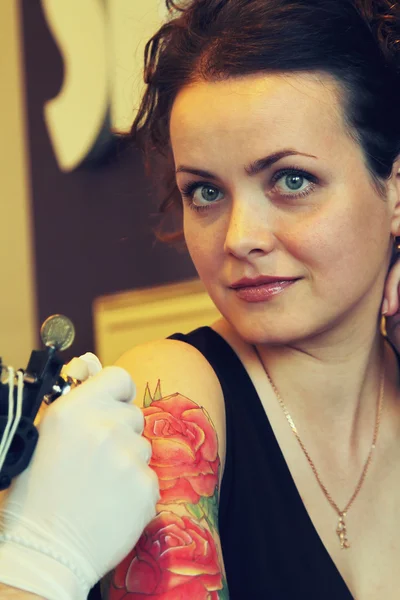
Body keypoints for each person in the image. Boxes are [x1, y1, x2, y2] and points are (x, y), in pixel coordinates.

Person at [2, 0, 400, 598]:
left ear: (394, 191)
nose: (240, 238)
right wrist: (38, 561)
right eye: (205, 192)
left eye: (291, 180)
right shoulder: (176, 394)